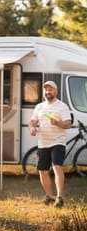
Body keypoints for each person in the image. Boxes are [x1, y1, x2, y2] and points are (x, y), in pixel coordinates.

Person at [29, 80, 72, 208]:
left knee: (57, 167)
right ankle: (49, 196)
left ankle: (59, 197)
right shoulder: (39, 107)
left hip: (58, 142)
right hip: (43, 143)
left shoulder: (62, 106)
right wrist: (31, 128)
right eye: (46, 90)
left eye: (50, 89)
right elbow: (32, 121)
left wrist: (57, 123)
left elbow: (68, 124)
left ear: (56, 91)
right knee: (42, 171)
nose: (48, 92)